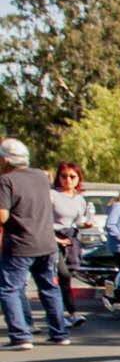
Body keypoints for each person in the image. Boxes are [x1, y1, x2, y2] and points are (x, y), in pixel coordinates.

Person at [0, 138, 70, 349]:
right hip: (47, 243)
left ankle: (20, 335)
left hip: (20, 244)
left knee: (9, 289)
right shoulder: (40, 176)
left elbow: (2, 216)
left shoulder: (6, 180)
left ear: (4, 159)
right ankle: (59, 333)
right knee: (49, 288)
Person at [49, 161, 91, 327]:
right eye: (64, 176)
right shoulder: (52, 195)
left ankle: (71, 314)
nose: (68, 180)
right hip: (54, 237)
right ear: (58, 178)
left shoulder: (79, 199)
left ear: (78, 179)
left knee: (67, 278)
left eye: (72, 176)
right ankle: (60, 314)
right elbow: (44, 219)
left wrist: (85, 224)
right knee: (61, 275)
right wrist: (56, 238)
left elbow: (78, 220)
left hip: (71, 238)